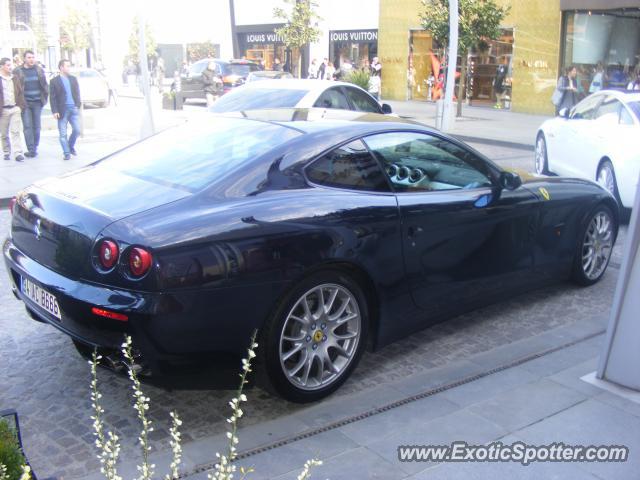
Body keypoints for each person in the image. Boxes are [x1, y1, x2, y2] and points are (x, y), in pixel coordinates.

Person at [15, 50, 48, 157]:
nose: (31, 59)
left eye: (33, 57)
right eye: (29, 57)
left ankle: (35, 146)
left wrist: (44, 99)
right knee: (28, 126)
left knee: (37, 127)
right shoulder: (18, 71)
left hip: (37, 102)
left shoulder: (39, 70)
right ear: (24, 58)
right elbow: (15, 88)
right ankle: (31, 149)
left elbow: (44, 85)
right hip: (25, 103)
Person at [50, 59, 81, 160]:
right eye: (67, 66)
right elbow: (52, 97)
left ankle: (70, 146)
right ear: (61, 67)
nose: (69, 68)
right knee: (63, 133)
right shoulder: (54, 81)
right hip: (62, 110)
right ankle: (66, 153)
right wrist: (55, 111)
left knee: (77, 130)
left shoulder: (73, 79)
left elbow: (77, 93)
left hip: (73, 108)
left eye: (69, 66)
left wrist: (77, 105)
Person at [0, 57, 26, 162]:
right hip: (3, 110)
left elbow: (20, 92)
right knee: (4, 133)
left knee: (15, 131)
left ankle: (18, 153)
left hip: (15, 108)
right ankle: (6, 151)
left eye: (11, 65)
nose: (10, 67)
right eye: (8, 65)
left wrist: (20, 106)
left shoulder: (15, 78)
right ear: (2, 66)